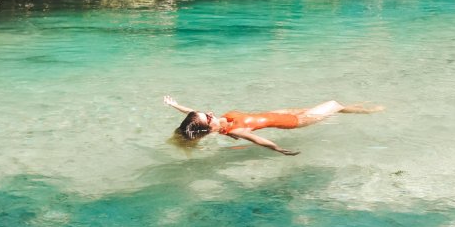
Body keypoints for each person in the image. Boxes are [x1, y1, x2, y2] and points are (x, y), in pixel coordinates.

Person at [163, 95, 381, 155]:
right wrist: (278, 149)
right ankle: (370, 111)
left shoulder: (218, 122)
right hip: (294, 122)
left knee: (335, 106)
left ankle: (364, 109)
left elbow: (192, 113)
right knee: (334, 104)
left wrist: (176, 105)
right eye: (207, 117)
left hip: (279, 113)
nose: (209, 113)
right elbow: (257, 139)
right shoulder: (234, 129)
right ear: (209, 128)